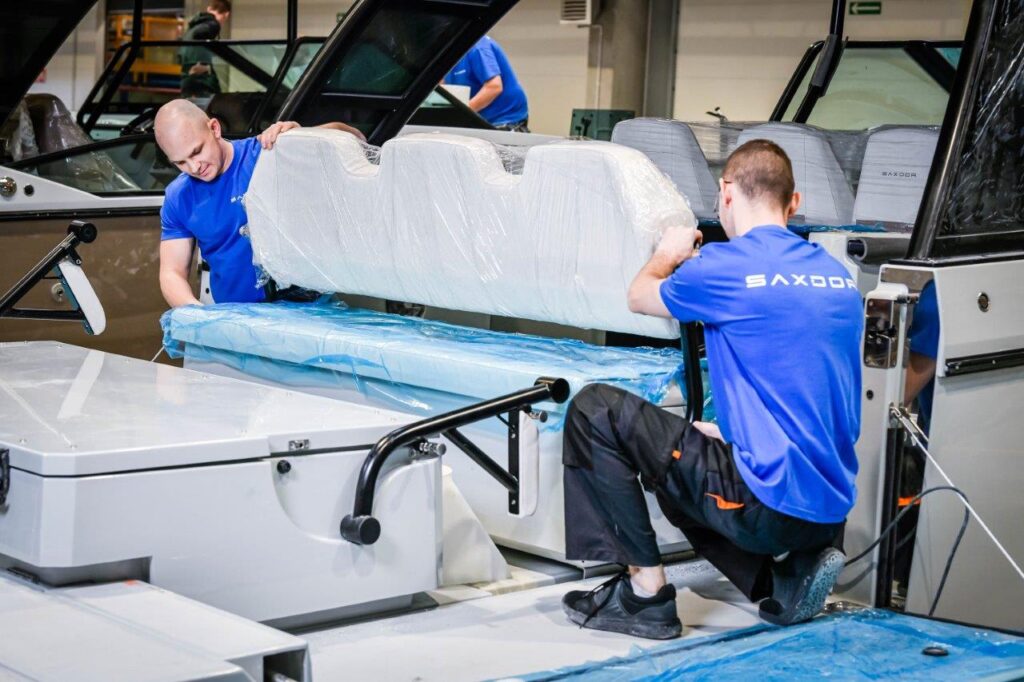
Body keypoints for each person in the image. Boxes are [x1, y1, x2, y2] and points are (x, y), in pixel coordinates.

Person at [559, 140, 863, 639]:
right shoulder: (836, 276)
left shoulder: (725, 265)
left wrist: (667, 254)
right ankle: (780, 580)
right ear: (794, 202)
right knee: (683, 453)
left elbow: (638, 296)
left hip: (768, 507)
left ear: (725, 193)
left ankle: (645, 595)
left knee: (595, 409)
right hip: (828, 511)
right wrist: (729, 433)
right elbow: (797, 380)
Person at [155, 99, 364, 308]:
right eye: (180, 162)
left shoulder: (267, 152)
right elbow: (172, 273)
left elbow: (357, 139)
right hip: (236, 319)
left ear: (214, 128)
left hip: (306, 310)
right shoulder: (179, 197)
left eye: (196, 151)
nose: (194, 167)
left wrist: (303, 137)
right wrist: (198, 315)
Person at [444, 36, 529, 132]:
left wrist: (460, 115)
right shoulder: (444, 52)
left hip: (505, 120)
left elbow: (494, 87)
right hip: (479, 121)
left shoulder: (477, 45)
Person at [180, 1, 231, 98]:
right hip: (201, 80)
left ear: (209, 9)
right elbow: (200, 34)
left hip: (187, 77)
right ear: (226, 14)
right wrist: (203, 65)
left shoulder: (193, 26)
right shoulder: (213, 24)